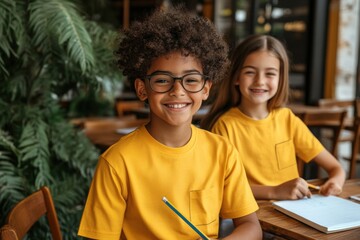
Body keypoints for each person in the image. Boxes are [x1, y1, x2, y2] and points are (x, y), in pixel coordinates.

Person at [78, 6, 262, 240]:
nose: (178, 91)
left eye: (191, 80)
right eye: (163, 80)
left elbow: (251, 227)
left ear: (205, 89)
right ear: (142, 89)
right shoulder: (117, 163)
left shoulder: (222, 152)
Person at [201, 34, 346, 200]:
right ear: (236, 77)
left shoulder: (287, 119)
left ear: (281, 79)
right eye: (250, 72)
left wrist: (335, 183)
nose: (260, 81)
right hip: (251, 216)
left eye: (270, 74)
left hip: (294, 212)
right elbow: (222, 186)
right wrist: (275, 191)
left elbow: (336, 168)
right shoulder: (225, 126)